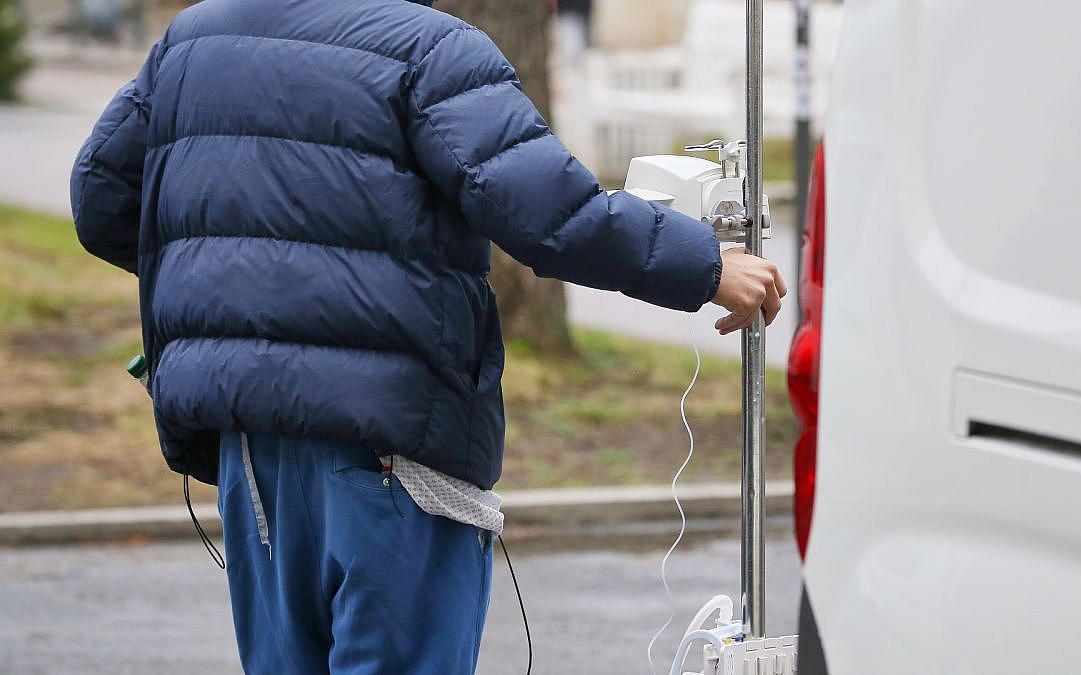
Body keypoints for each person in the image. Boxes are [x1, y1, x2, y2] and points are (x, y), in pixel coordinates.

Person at [69, 0, 786, 672]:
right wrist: (704, 265)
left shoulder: (193, 40)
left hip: (247, 449)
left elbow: (102, 195)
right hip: (388, 441)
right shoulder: (430, 48)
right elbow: (548, 210)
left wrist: (243, 279)